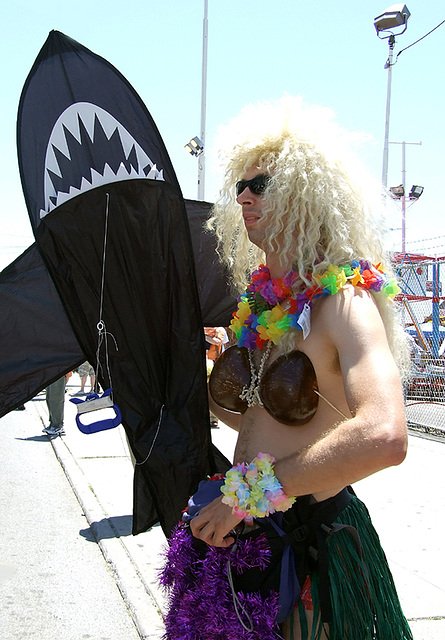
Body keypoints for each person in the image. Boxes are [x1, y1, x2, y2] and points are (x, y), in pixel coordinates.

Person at [160, 98, 413, 640]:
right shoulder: (268, 311)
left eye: (262, 185)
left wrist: (246, 495)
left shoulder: (343, 301)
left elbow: (385, 436)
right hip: (246, 538)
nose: (245, 196)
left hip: (311, 551)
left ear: (306, 193)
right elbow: (268, 425)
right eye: (240, 187)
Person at [43, 373, 71, 437]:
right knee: (50, 398)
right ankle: (53, 423)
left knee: (56, 399)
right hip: (51, 370)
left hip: (59, 371)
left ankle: (57, 425)